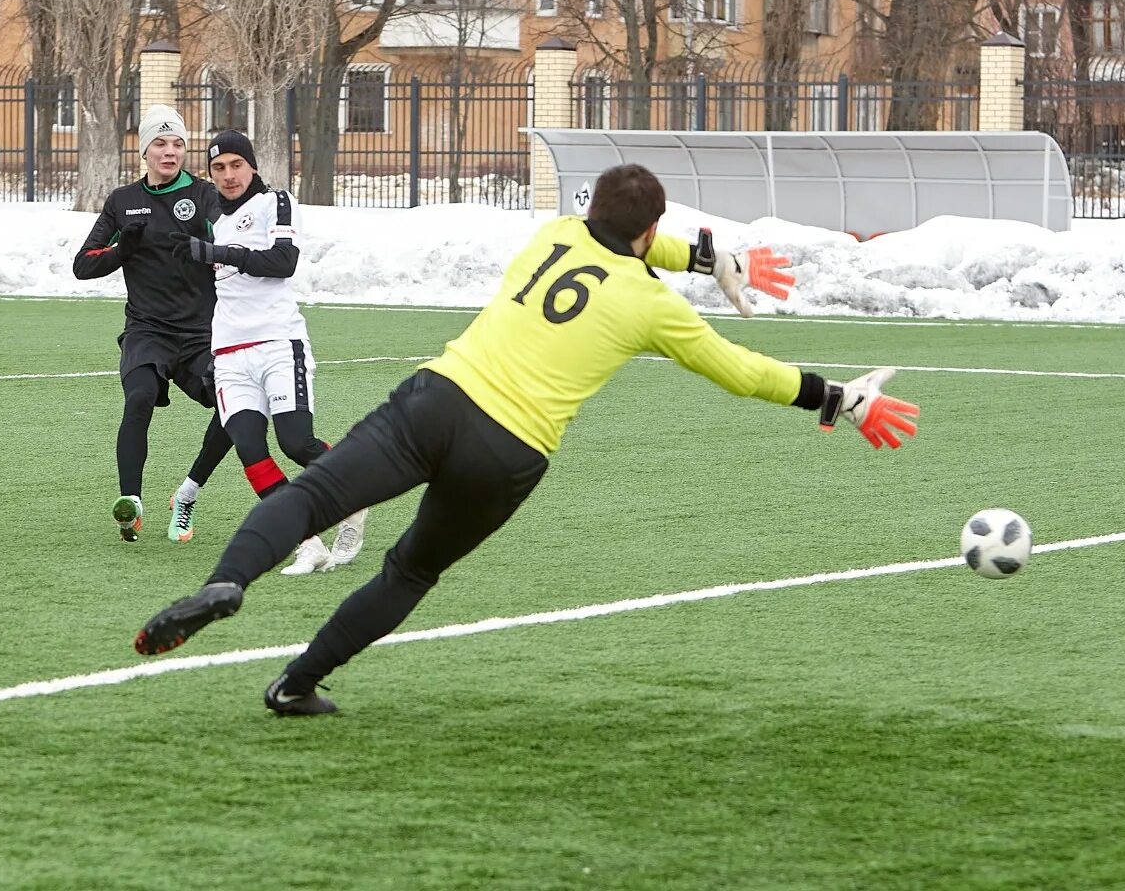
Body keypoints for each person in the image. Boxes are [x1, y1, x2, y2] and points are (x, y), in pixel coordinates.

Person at [135, 163, 919, 715]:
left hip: (439, 398)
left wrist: (710, 256)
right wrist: (839, 398)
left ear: (592, 215)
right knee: (409, 570)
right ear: (651, 232)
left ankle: (231, 579)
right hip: (508, 452)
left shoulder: (553, 233)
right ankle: (296, 684)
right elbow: (743, 372)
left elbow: (624, 239)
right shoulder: (654, 307)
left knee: (310, 495)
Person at [167, 130, 367, 575]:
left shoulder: (275, 202)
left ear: (252, 166)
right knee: (250, 450)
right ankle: (308, 544)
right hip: (230, 354)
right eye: (218, 168)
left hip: (278, 343)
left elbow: (283, 262)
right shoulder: (212, 218)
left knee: (296, 443)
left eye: (236, 165)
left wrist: (217, 252)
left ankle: (355, 497)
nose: (228, 175)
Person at [72, 104, 233, 542]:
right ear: (144, 150)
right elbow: (83, 265)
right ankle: (132, 505)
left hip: (202, 334)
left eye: (178, 143)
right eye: (160, 143)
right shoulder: (123, 202)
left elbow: (239, 246)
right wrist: (122, 250)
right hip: (147, 331)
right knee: (139, 397)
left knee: (236, 408)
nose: (170, 151)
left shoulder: (205, 197)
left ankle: (188, 493)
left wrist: (213, 251)